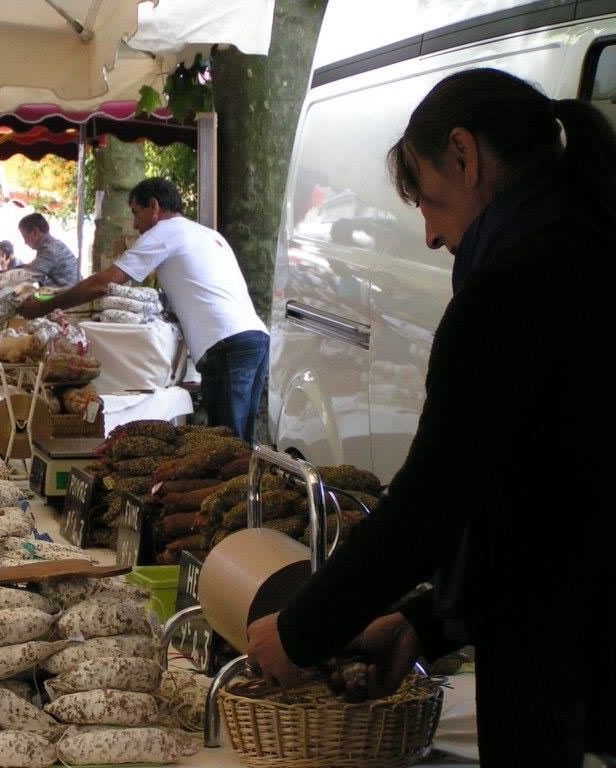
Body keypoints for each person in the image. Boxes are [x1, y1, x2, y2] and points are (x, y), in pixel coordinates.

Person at [245, 68, 616, 768]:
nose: (429, 234)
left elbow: (432, 503)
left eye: (427, 199)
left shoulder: (512, 288)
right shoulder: (588, 246)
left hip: (567, 673)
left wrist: (302, 631)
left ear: (464, 154)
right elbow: (535, 490)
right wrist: (424, 622)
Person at [18, 177, 268, 441]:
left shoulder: (163, 233)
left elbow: (101, 284)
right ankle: (249, 481)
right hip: (255, 338)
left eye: (136, 213)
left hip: (226, 343)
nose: (136, 225)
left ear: (155, 206)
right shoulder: (206, 233)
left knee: (228, 444)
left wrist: (44, 306)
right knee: (242, 443)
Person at [16, 212, 79, 287]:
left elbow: (27, 277)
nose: (25, 242)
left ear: (35, 232)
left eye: (25, 237)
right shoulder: (55, 245)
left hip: (70, 296)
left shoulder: (49, 250)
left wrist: (0, 293)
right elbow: (31, 267)